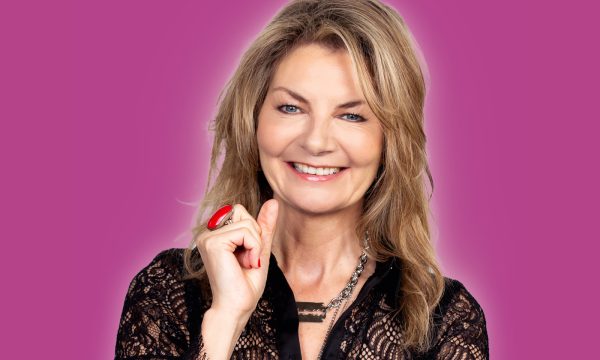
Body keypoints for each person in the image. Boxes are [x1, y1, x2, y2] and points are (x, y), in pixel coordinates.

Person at [115, 0, 489, 359]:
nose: (315, 141)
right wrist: (224, 321)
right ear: (254, 122)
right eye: (291, 108)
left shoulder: (444, 320)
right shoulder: (166, 291)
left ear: (389, 142)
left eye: (352, 116)